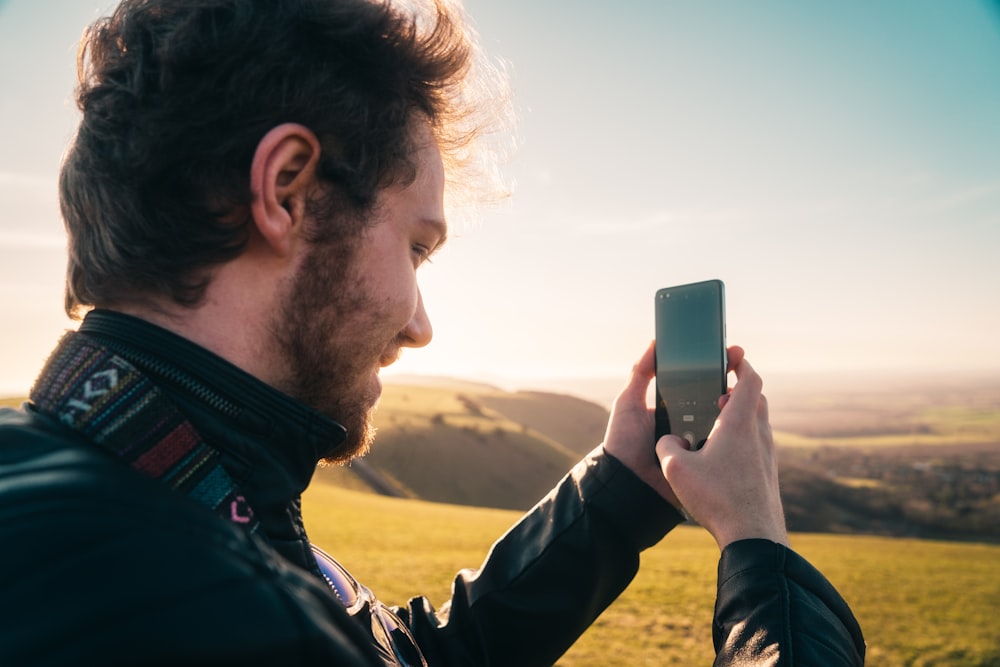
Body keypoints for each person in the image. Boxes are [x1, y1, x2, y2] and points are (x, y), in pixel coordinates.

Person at [0, 0, 865, 665]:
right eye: (415, 245)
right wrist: (759, 549)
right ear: (287, 189)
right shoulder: (212, 608)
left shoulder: (145, 491)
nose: (419, 323)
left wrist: (622, 494)